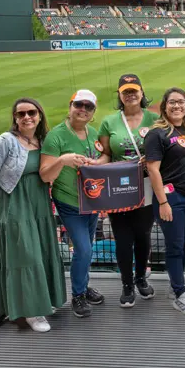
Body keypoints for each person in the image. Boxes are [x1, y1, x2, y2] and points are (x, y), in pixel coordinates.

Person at [0, 98, 66, 333]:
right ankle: (30, 310)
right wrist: (4, 202)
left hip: (39, 201)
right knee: (25, 254)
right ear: (15, 118)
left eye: (32, 112)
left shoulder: (43, 140)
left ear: (39, 115)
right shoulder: (5, 141)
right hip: (16, 202)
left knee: (41, 249)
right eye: (21, 114)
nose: (27, 117)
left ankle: (42, 300)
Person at [39, 89, 105, 318]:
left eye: (88, 107)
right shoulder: (56, 136)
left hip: (91, 201)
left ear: (93, 112)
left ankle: (83, 287)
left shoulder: (93, 132)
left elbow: (101, 158)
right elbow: (46, 175)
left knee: (86, 249)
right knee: (84, 249)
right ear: (70, 106)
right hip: (69, 202)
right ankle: (77, 294)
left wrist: (95, 163)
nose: (83, 110)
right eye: (79, 105)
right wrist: (63, 160)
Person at [97, 74, 158, 308]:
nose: (130, 94)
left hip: (146, 185)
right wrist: (92, 165)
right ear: (120, 95)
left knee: (143, 235)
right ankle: (126, 284)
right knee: (122, 238)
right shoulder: (109, 122)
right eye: (126, 91)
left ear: (142, 93)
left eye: (134, 90)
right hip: (118, 186)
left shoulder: (155, 119)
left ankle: (141, 277)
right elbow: (106, 155)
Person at [145, 87, 185, 317]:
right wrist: (162, 202)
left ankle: (176, 286)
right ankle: (180, 294)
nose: (177, 106)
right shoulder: (156, 134)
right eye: (172, 102)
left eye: (181, 102)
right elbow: (152, 169)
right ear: (164, 106)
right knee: (176, 246)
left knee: (182, 244)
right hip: (172, 198)